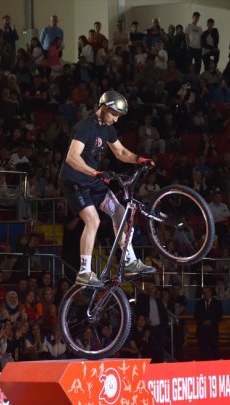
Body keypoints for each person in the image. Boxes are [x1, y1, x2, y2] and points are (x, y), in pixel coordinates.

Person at [61, 90, 156, 287]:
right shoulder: (86, 126)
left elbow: (120, 152)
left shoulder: (107, 128)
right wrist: (94, 173)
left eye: (119, 116)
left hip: (92, 179)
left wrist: (139, 159)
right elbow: (72, 157)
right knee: (93, 220)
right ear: (104, 108)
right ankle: (84, 272)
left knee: (120, 212)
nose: (116, 119)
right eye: (114, 114)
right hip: (74, 181)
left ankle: (129, 261)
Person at [194, 286, 222, 360]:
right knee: (203, 352)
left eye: (207, 292)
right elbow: (196, 316)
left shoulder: (217, 303)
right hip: (202, 331)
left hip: (213, 331)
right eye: (204, 293)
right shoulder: (199, 303)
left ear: (211, 292)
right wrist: (204, 321)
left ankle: (216, 368)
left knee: (215, 351)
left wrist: (211, 321)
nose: (205, 294)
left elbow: (219, 316)